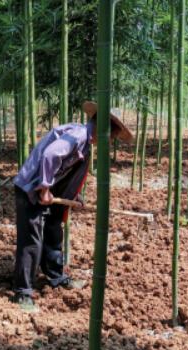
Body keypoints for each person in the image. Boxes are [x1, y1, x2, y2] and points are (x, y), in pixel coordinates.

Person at [12, 101, 134, 310]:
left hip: (49, 194)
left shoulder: (86, 144)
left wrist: (72, 198)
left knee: (53, 233)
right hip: (31, 190)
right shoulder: (78, 135)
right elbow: (51, 155)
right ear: (103, 131)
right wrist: (45, 188)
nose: (110, 143)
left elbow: (68, 171)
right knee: (32, 240)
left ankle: (56, 277)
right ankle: (22, 292)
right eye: (111, 138)